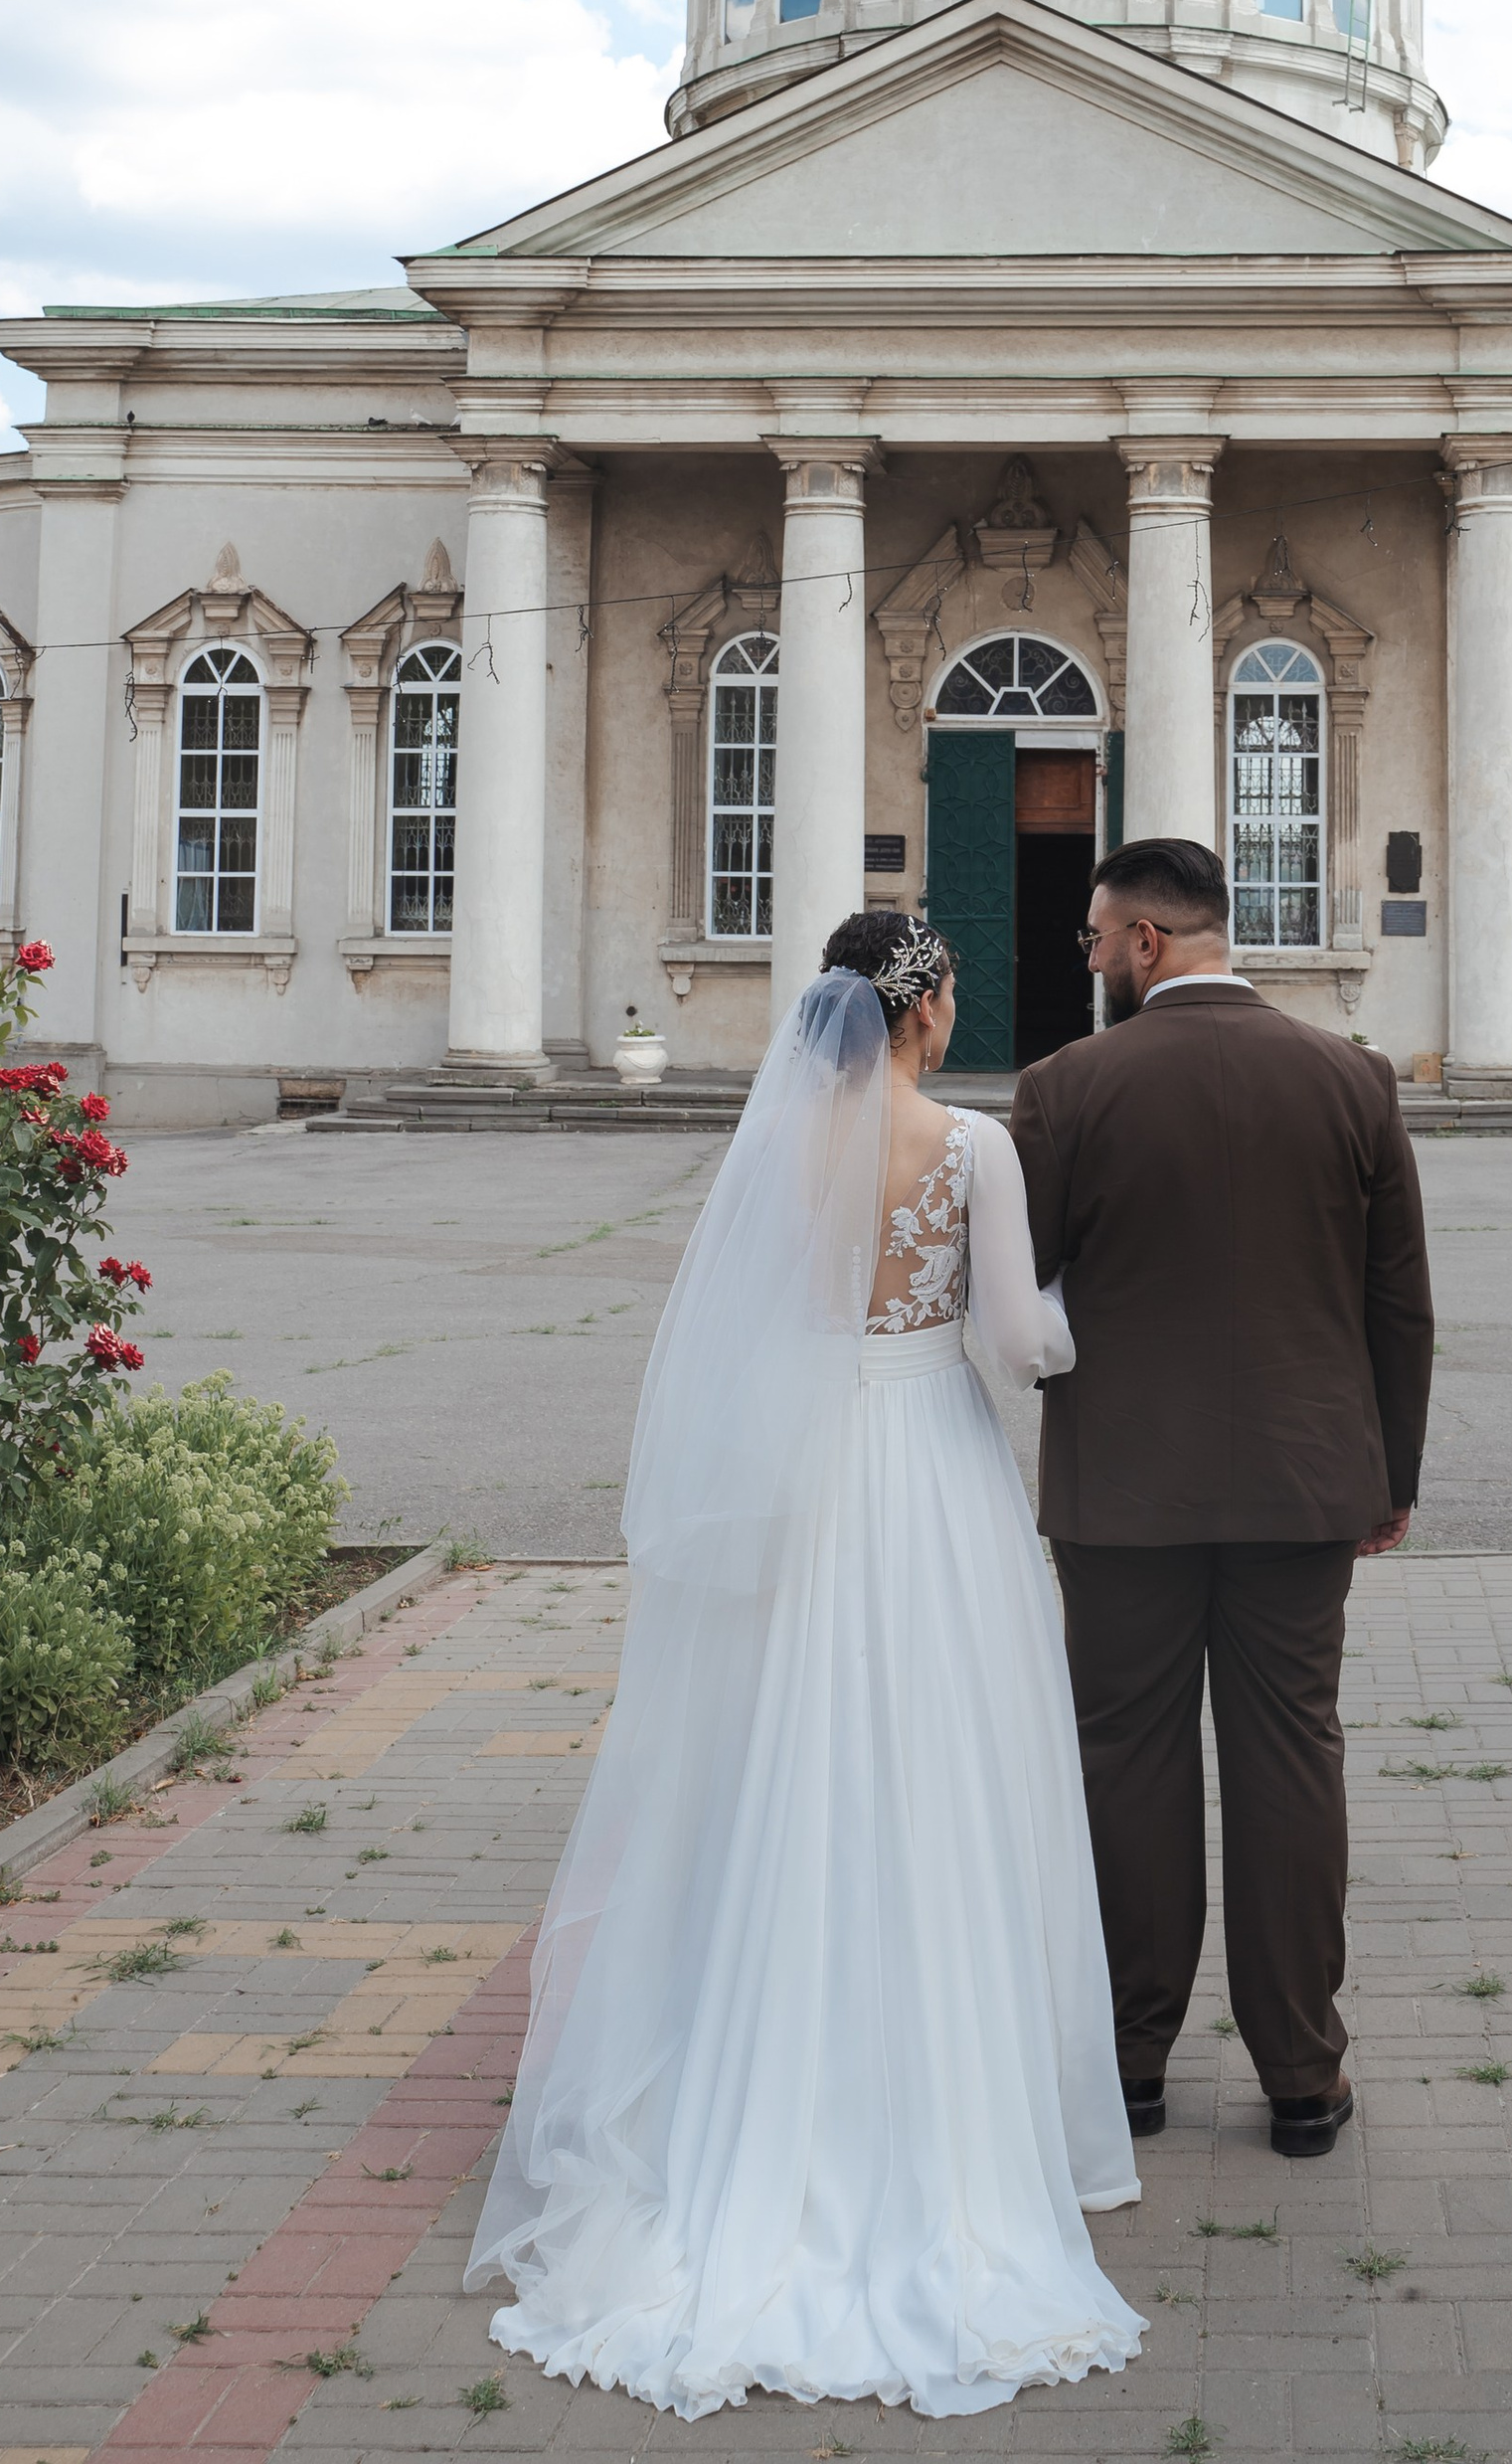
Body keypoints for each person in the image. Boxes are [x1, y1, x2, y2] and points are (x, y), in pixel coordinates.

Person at [468, 911, 1143, 2421]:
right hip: (929, 1468)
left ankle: (760, 2067)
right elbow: (1018, 1342)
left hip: (804, 1476)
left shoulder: (777, 1145)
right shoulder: (970, 1147)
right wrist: (1087, 1312)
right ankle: (952, 2094)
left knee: (789, 1756)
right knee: (947, 1762)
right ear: (922, 1008)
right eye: (949, 991)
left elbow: (753, 1322)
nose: (955, 1011)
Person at [1010, 835, 1433, 2161]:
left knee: (1124, 1762)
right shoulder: (1351, 1078)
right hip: (1306, 1484)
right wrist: (1390, 1476)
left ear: (1145, 942)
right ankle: (1302, 2074)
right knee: (1292, 1758)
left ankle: (1129, 2064)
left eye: (1095, 938)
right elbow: (1398, 1300)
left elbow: (1022, 1286)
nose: (1090, 957)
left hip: (1122, 1492)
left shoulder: (1067, 1086)